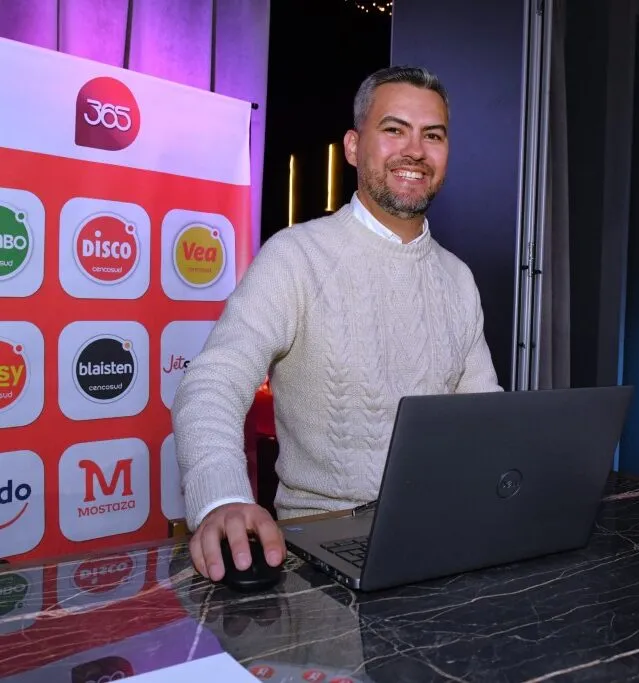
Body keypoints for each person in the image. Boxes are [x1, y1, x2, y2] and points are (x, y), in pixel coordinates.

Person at [172, 65, 502, 582]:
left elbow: (485, 418)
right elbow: (212, 382)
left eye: (432, 136)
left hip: (437, 539)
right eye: (394, 130)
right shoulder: (295, 256)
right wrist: (223, 499)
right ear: (353, 146)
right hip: (318, 549)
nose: (415, 150)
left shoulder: (458, 278)